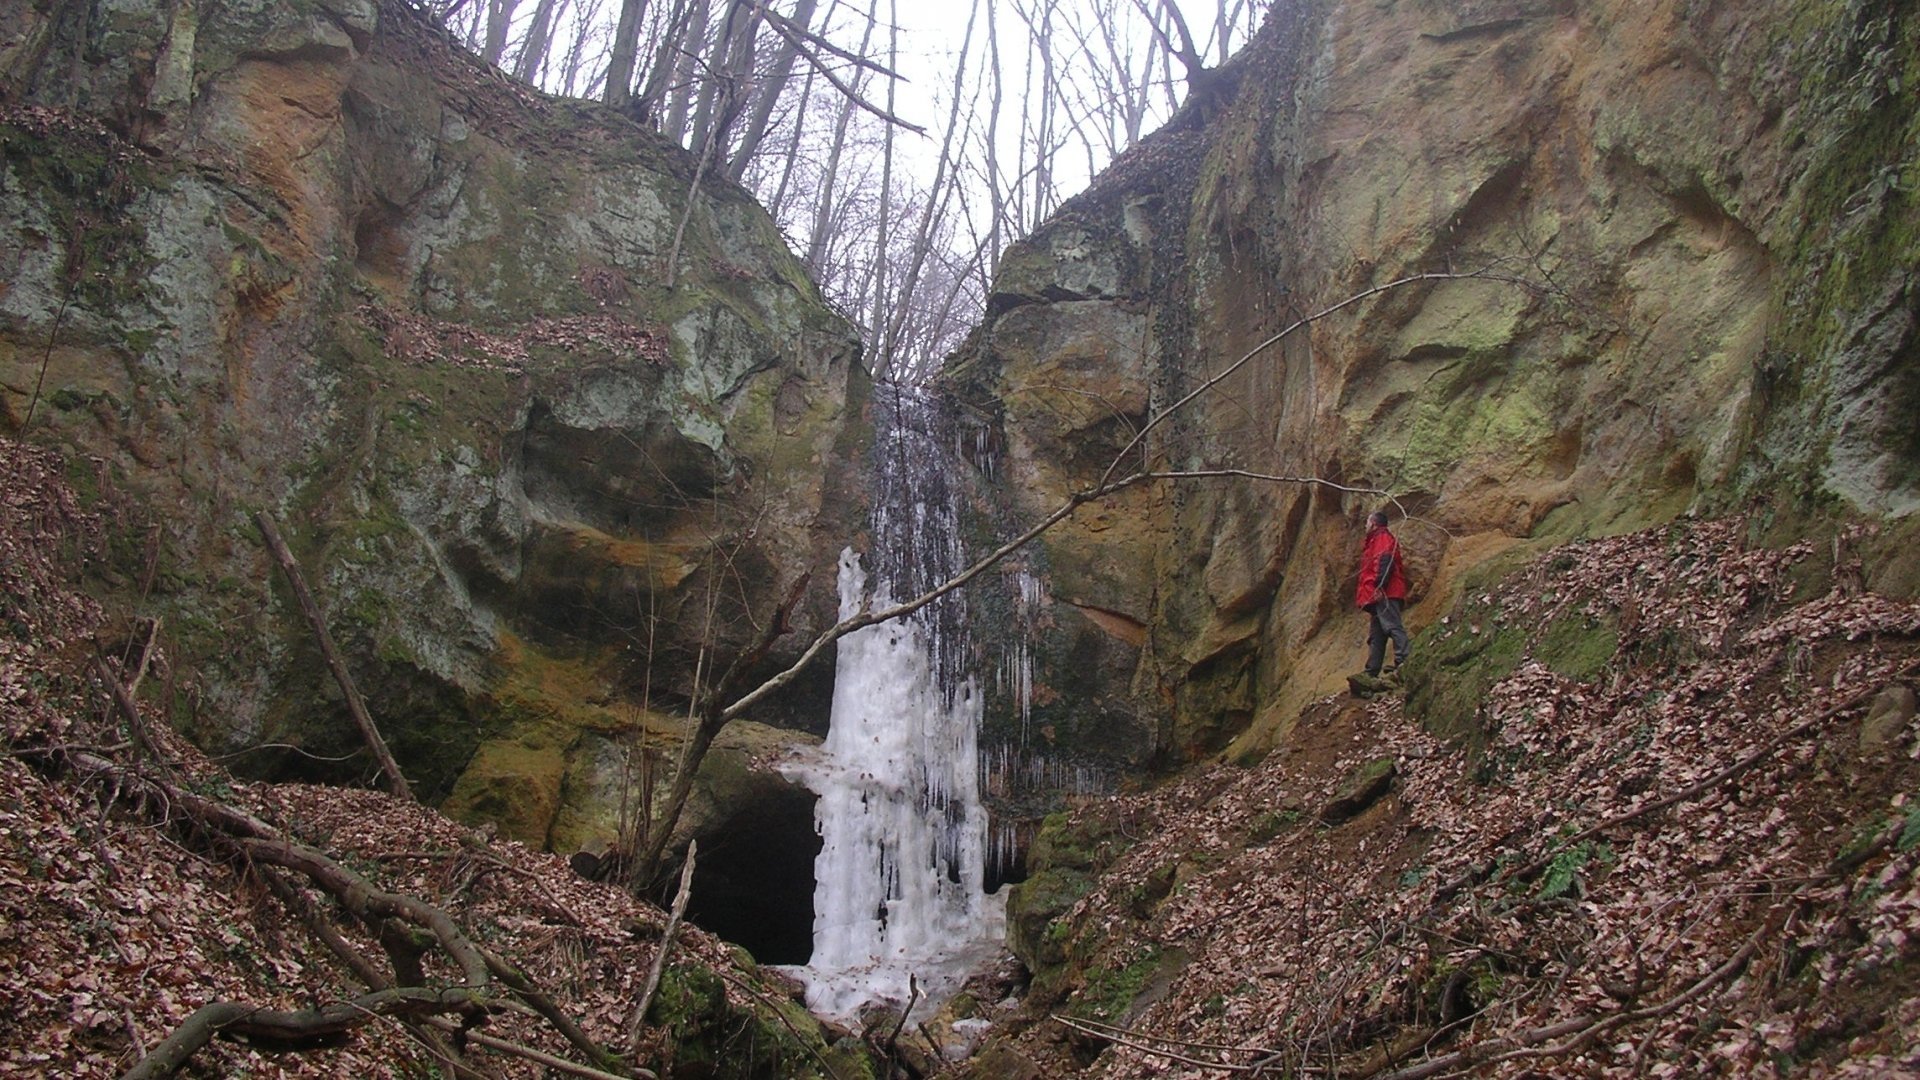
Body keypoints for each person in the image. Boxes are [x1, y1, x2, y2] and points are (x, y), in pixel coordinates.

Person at [1356, 511, 1409, 678]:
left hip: (1386, 592)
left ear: (1373, 524)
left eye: (1367, 522)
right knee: (1377, 634)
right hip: (1380, 593)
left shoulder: (1382, 538)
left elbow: (1385, 561)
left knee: (1392, 626)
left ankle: (1404, 661)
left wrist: (1379, 586)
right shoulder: (1374, 541)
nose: (1365, 526)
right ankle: (1371, 671)